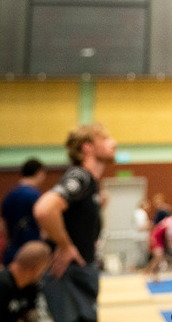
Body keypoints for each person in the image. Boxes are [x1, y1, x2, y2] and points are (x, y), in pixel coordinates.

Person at [33, 123, 117, 322]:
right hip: (68, 275)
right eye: (105, 139)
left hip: (80, 274)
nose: (113, 143)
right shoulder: (80, 176)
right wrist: (66, 246)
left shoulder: (90, 184)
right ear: (87, 147)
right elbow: (45, 210)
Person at [0, 241, 51, 322]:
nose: (43, 274)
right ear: (36, 268)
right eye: (44, 270)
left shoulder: (30, 286)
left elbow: (31, 315)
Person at [0, 160, 47, 266]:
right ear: (39, 173)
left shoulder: (9, 196)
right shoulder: (35, 196)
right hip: (31, 254)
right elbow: (44, 227)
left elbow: (2, 227)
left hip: (11, 253)